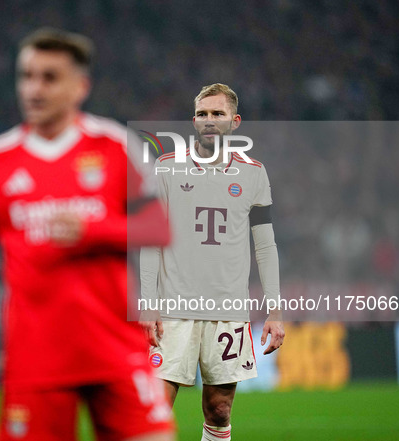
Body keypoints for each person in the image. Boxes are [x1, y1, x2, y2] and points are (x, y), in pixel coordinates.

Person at [0, 28, 175, 441]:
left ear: (80, 87)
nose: (34, 89)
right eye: (27, 76)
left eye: (49, 77)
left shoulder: (115, 146)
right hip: (36, 361)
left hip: (117, 349)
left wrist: (94, 230)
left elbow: (160, 228)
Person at [140, 83, 285, 440]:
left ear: (234, 122)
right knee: (154, 410)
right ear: (193, 120)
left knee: (219, 410)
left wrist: (275, 310)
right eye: (202, 114)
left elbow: (265, 245)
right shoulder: (167, 167)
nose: (209, 120)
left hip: (228, 310)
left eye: (217, 114)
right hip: (174, 309)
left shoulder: (254, 173)